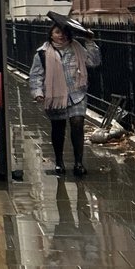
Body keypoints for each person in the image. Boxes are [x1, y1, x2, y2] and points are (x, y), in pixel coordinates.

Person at [29, 21, 101, 176]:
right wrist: (37, 92)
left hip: (77, 93)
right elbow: (36, 75)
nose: (61, 35)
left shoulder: (76, 48)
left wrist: (90, 42)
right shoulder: (42, 53)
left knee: (77, 123)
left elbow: (94, 61)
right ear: (51, 34)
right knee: (58, 128)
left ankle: (78, 163)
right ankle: (59, 162)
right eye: (57, 32)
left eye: (64, 32)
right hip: (54, 96)